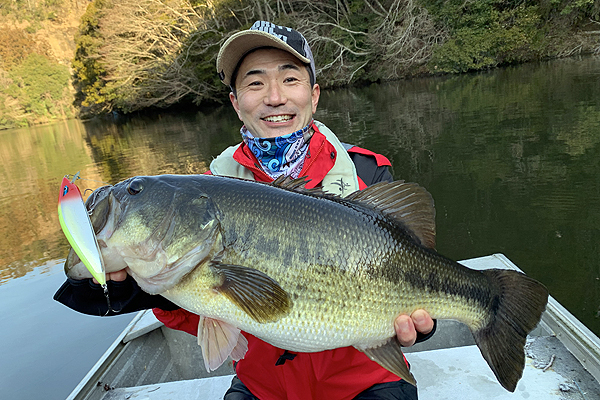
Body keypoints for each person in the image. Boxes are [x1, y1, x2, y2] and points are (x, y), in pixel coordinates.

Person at [55, 21, 435, 400]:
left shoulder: (367, 172)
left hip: (367, 382)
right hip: (264, 388)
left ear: (314, 95)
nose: (274, 97)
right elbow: (194, 309)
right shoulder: (207, 189)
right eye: (255, 83)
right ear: (236, 102)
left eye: (290, 80)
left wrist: (424, 324)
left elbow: (417, 272)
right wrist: (121, 286)